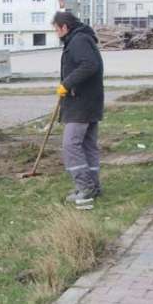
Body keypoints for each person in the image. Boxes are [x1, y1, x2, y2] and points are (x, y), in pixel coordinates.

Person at [53, 11, 104, 203]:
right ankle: (94, 187)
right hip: (87, 101)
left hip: (81, 103)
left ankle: (85, 187)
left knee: (71, 145)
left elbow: (89, 65)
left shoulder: (79, 41)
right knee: (87, 145)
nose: (56, 33)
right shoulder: (81, 38)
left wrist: (67, 84)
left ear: (64, 27)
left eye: (56, 30)